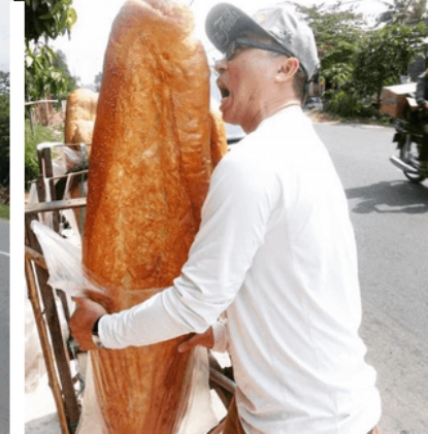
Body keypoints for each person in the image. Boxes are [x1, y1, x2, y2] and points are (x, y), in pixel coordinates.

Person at [70, 4, 381, 434]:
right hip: (324, 411)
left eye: (237, 51)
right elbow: (296, 296)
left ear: (285, 68)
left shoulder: (254, 163)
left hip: (304, 423)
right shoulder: (304, 150)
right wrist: (219, 336)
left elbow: (193, 301)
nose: (221, 64)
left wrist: (101, 330)